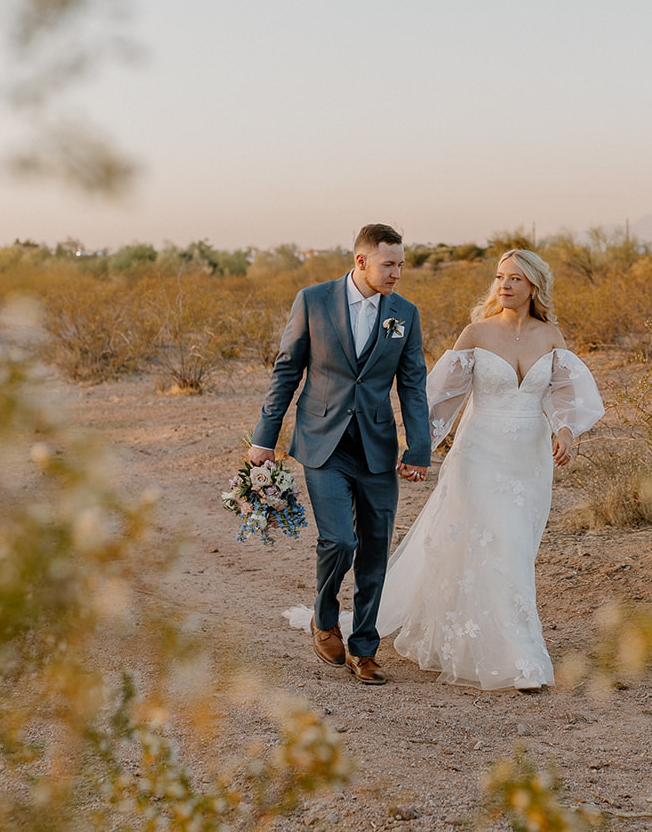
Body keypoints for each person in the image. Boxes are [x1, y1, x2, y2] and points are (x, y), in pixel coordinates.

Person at [374, 249, 603, 691]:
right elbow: (438, 396)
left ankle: (492, 639)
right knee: (492, 545)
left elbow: (564, 394)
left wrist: (567, 432)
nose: (505, 285)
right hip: (479, 453)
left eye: (516, 278)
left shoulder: (550, 334)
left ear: (534, 285)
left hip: (530, 460)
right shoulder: (476, 332)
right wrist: (420, 446)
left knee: (515, 547)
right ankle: (519, 657)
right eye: (500, 277)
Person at [250, 224, 430, 685]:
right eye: (388, 264)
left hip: (376, 446)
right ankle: (324, 615)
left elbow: (411, 384)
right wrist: (263, 438)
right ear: (362, 261)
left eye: (401, 265)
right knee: (341, 541)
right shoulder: (312, 300)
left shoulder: (404, 314)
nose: (396, 273)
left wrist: (420, 447)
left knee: (375, 549)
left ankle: (365, 647)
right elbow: (286, 371)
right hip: (322, 442)